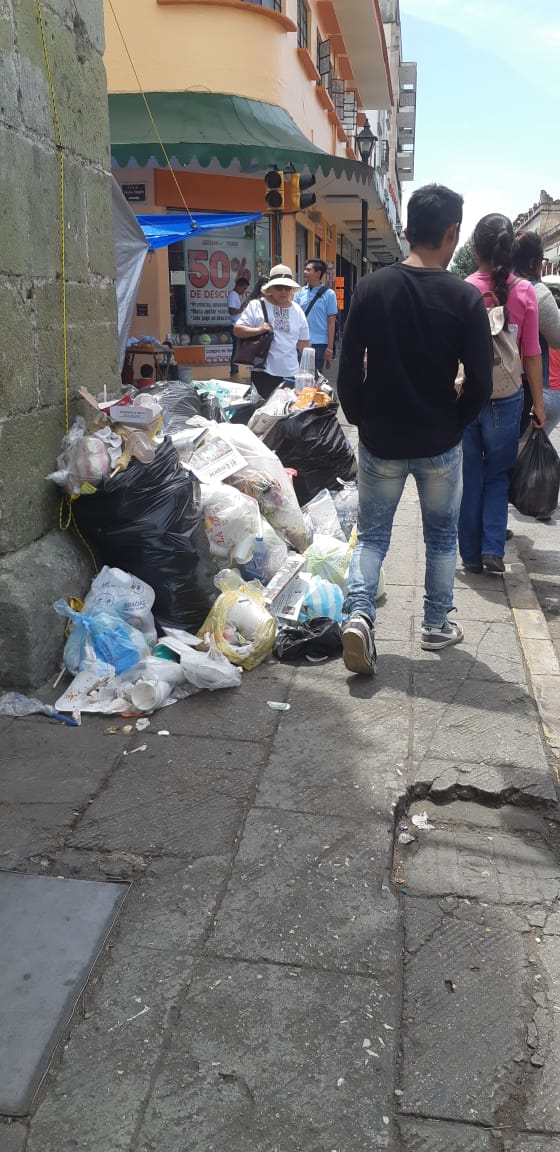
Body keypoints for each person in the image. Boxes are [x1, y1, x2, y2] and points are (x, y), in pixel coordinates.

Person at [337, 183, 493, 676]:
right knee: (442, 537)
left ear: (406, 231)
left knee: (371, 538)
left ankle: (359, 616)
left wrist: (361, 417)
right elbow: (482, 383)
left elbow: (347, 369)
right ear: (452, 232)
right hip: (439, 441)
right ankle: (436, 624)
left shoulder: (371, 288)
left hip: (381, 438)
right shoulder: (466, 298)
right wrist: (456, 421)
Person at [459, 214, 545, 575]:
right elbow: (532, 354)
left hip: (468, 394)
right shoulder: (525, 291)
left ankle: (469, 555)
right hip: (508, 397)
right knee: (498, 474)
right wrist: (538, 404)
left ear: (475, 248)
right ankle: (493, 547)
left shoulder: (464, 288)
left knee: (470, 475)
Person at [233, 264, 310, 399]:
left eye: (287, 288)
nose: (283, 292)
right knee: (264, 409)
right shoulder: (256, 305)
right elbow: (238, 330)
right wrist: (259, 330)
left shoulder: (297, 310)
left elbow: (304, 344)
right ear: (270, 288)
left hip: (291, 374)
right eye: (279, 287)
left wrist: (308, 371)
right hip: (264, 372)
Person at [513, 231, 560, 437]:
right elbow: (557, 338)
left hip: (492, 383)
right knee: (523, 448)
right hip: (527, 387)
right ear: (534, 261)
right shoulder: (537, 292)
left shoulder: (495, 285)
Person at [294, 259, 338, 374]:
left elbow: (331, 322)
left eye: (308, 270)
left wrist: (330, 348)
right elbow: (295, 318)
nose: (304, 272)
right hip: (301, 341)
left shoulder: (329, 294)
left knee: (315, 376)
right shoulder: (299, 293)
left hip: (319, 344)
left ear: (318, 273)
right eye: (305, 269)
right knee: (299, 376)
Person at [227, 275, 250, 378]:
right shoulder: (233, 295)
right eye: (243, 289)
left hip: (239, 326)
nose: (244, 291)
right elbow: (232, 311)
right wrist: (242, 308)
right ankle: (234, 372)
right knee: (236, 350)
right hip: (235, 327)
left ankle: (236, 371)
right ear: (238, 286)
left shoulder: (237, 295)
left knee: (239, 350)